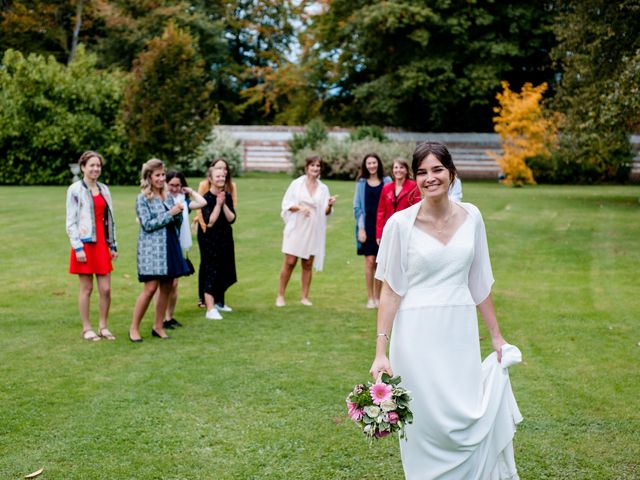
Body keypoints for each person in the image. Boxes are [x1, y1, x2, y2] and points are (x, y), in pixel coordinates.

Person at [370, 142, 522, 479]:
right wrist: (381, 351)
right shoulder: (399, 225)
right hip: (415, 335)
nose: (430, 178)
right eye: (422, 172)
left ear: (451, 174)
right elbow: (391, 291)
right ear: (414, 179)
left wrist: (496, 337)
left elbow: (479, 281)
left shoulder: (473, 217)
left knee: (462, 415)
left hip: (459, 332)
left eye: (437, 169)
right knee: (425, 421)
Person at [129, 159, 191, 342]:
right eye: (158, 175)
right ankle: (133, 328)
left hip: (170, 244)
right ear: (149, 177)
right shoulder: (142, 198)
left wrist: (179, 214)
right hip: (152, 249)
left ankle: (158, 326)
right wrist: (170, 214)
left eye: (163, 174)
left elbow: (175, 222)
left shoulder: (168, 196)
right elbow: (147, 225)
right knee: (150, 288)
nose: (161, 178)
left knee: (167, 286)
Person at [66, 151, 118, 341]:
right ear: (83, 168)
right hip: (85, 245)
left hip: (102, 245)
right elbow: (70, 222)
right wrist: (77, 247)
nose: (95, 169)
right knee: (86, 289)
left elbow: (110, 218)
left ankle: (103, 326)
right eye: (92, 165)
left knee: (106, 289)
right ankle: (87, 328)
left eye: (98, 166)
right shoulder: (74, 190)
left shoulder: (104, 189)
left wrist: (113, 245)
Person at [276, 156, 337, 307]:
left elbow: (326, 212)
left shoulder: (323, 188)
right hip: (297, 226)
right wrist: (300, 207)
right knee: (290, 262)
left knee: (308, 263)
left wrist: (329, 205)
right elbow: (286, 204)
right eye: (312, 165)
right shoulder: (296, 184)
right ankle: (280, 295)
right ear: (307, 167)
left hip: (313, 228)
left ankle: (304, 296)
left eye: (318, 166)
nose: (315, 168)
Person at [162, 170, 206, 329]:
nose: (174, 188)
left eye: (177, 185)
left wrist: (191, 191)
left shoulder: (184, 201)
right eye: (171, 185)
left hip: (179, 245)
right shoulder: (162, 200)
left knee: (174, 284)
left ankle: (169, 316)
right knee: (166, 284)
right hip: (165, 244)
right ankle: (161, 318)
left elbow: (202, 203)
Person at [195, 158, 238, 309]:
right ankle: (210, 307)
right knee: (211, 269)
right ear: (210, 179)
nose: (221, 179)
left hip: (225, 236)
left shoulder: (226, 195)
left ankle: (220, 302)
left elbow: (232, 218)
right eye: (217, 176)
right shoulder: (206, 199)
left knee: (225, 267)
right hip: (210, 238)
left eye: (223, 176)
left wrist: (224, 204)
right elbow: (210, 221)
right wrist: (218, 205)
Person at [353, 153, 391, 308]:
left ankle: (379, 297)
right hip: (367, 226)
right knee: (369, 261)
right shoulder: (361, 183)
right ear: (365, 165)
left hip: (383, 226)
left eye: (374, 163)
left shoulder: (387, 181)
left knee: (380, 262)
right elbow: (357, 207)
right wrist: (361, 228)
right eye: (369, 163)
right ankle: (370, 298)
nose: (372, 166)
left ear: (378, 164)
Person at [375, 157, 420, 245]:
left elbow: (417, 210)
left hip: (407, 231)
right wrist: (379, 234)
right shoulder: (386, 188)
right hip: (389, 231)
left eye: (401, 167)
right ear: (392, 170)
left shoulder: (414, 187)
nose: (398, 170)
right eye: (396, 167)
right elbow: (380, 212)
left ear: (406, 170)